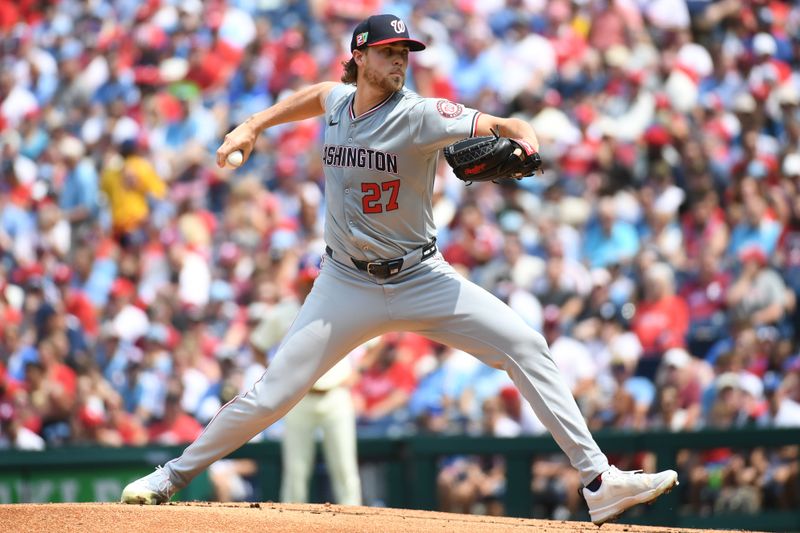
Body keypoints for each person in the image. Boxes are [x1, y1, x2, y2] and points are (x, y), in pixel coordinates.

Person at [121, 14, 677, 525]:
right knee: (272, 394)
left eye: (404, 52)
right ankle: (171, 476)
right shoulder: (338, 103)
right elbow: (316, 96)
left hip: (421, 278)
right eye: (388, 51)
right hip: (345, 282)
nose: (399, 60)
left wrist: (522, 137)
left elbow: (499, 121)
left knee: (526, 344)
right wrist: (253, 125)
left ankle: (600, 480)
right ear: (359, 55)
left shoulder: (419, 113)